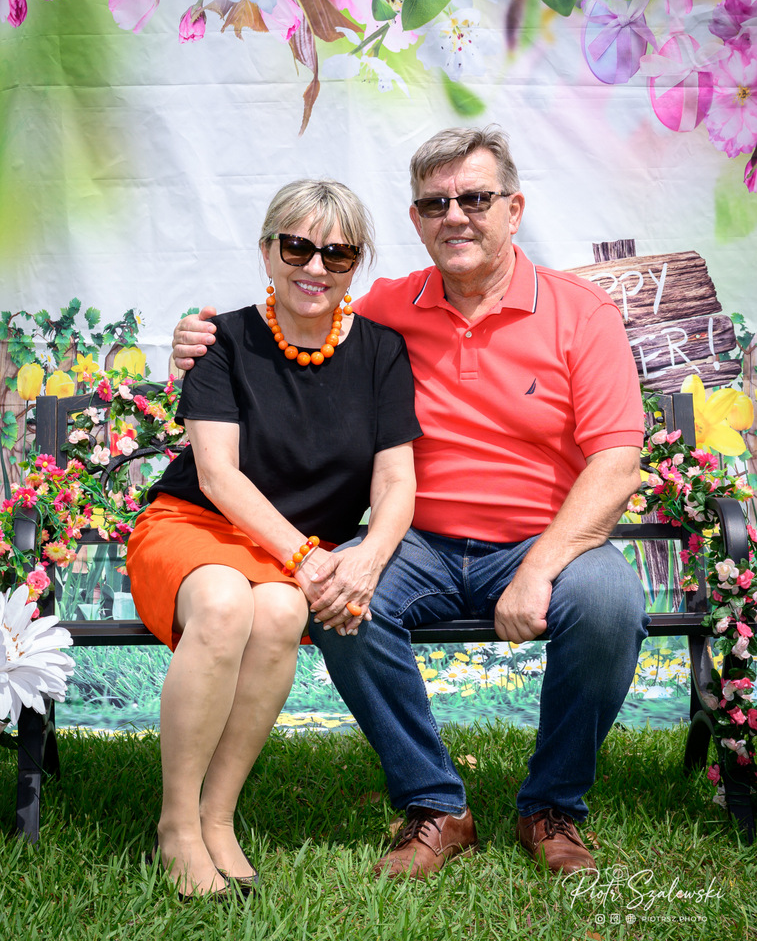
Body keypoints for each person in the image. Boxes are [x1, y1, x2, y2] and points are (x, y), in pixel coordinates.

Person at [171, 126, 647, 878]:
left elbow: (616, 463)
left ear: (514, 208)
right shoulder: (389, 307)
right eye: (434, 204)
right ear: (416, 219)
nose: (455, 216)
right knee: (340, 598)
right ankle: (434, 804)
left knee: (610, 603)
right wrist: (200, 340)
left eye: (475, 199)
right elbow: (302, 317)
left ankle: (551, 806)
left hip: (542, 541)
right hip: (419, 541)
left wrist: (537, 572)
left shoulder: (579, 311)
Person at [127, 178, 420, 899]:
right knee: (225, 605)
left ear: (356, 265)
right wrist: (308, 558)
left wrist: (365, 558)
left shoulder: (382, 352)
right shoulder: (220, 341)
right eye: (296, 247)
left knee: (284, 611)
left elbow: (395, 482)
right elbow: (218, 476)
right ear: (267, 252)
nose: (315, 267)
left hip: (289, 554)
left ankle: (218, 816)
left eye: (337, 254)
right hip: (194, 525)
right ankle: (176, 824)